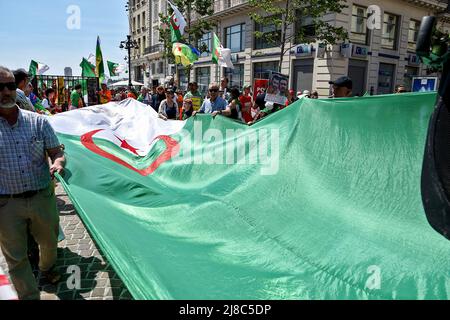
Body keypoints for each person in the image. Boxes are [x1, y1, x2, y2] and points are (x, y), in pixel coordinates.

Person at [0, 66, 66, 300]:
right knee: (15, 258)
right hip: (6, 205)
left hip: (41, 197)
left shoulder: (38, 122)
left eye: (10, 86)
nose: (6, 91)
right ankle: (29, 296)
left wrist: (57, 163)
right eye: (1, 87)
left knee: (49, 244)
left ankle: (47, 269)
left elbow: (56, 151)